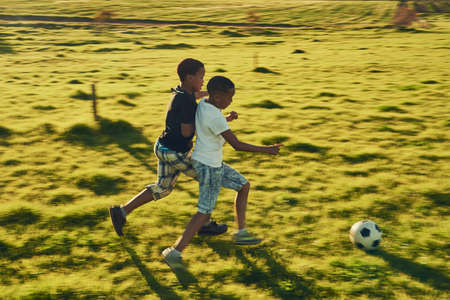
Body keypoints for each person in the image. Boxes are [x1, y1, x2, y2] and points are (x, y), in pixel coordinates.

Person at [162, 76, 282, 270]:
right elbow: (237, 145)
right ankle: (174, 252)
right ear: (217, 97)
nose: (231, 101)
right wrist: (267, 150)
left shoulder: (204, 104)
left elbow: (210, 125)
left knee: (243, 185)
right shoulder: (214, 115)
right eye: (229, 98)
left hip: (212, 163)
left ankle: (241, 232)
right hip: (208, 167)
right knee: (203, 212)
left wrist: (227, 119)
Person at [109, 58, 227, 237]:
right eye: (200, 76)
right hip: (173, 152)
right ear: (189, 77)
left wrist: (209, 96)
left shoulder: (181, 92)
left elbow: (193, 97)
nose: (203, 80)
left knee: (163, 188)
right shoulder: (186, 102)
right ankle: (204, 225)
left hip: (163, 147)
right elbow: (187, 132)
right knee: (208, 177)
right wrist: (214, 123)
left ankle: (122, 211)